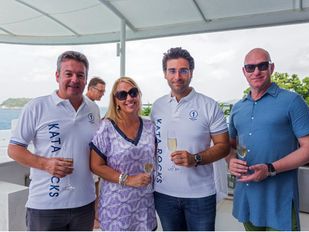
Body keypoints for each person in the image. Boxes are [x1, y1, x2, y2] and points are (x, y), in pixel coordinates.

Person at [226, 48, 309, 231]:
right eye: (250, 67)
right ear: (244, 71)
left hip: (279, 198)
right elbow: (230, 147)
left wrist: (270, 168)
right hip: (248, 196)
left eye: (262, 66)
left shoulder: (293, 101)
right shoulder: (237, 108)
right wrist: (230, 161)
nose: (256, 72)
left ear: (271, 68)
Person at [7, 51, 100, 230]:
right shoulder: (36, 107)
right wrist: (45, 164)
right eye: (68, 74)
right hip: (45, 206)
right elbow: (14, 149)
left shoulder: (93, 109)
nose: (75, 79)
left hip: (84, 204)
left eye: (80, 75)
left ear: (86, 79)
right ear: (57, 76)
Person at [150, 47, 231, 231]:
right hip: (163, 194)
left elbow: (224, 146)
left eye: (183, 70)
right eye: (172, 70)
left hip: (200, 195)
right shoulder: (157, 106)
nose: (177, 76)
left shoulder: (209, 105)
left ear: (191, 73)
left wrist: (195, 159)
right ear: (165, 74)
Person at [90, 76, 157, 231]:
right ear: (115, 101)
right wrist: (128, 180)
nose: (129, 98)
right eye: (122, 95)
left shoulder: (149, 126)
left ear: (139, 95)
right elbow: (95, 165)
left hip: (144, 205)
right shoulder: (105, 127)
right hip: (116, 208)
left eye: (133, 92)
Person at [85, 76, 106, 229]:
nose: (102, 94)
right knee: (91, 187)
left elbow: (97, 128)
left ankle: (96, 216)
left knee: (96, 184)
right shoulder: (85, 105)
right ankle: (93, 218)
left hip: (95, 153)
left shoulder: (94, 107)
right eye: (100, 91)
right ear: (91, 88)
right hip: (86, 154)